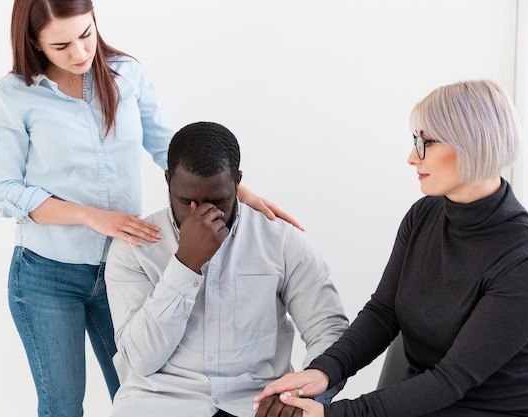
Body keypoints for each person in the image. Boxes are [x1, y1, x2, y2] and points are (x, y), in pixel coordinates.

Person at [0, 1, 302, 416]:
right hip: (47, 274)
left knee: (145, 393)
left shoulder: (126, 75)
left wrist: (239, 193)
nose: (80, 53)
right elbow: (4, 192)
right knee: (62, 406)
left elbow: (169, 149)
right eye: (61, 45)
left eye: (86, 34)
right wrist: (91, 216)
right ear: (34, 43)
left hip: (126, 271)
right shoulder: (16, 95)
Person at [253, 79, 528, 417]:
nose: (412, 157)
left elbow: (452, 379)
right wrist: (323, 371)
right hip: (424, 400)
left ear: (470, 144)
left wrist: (332, 415)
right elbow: (383, 313)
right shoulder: (424, 215)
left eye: (425, 142)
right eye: (415, 140)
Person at [104, 121, 349, 417]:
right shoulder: (133, 248)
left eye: (218, 200)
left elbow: (329, 331)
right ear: (168, 181)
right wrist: (186, 265)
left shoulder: (281, 241)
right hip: (160, 404)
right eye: (186, 201)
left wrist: (299, 393)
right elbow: (140, 359)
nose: (203, 214)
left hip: (257, 404)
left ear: (237, 183)